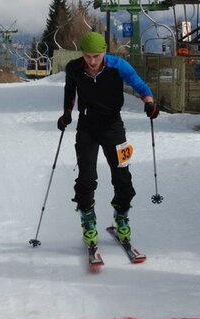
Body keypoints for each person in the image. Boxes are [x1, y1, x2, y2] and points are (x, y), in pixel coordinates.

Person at [57, 31, 159, 248]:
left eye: (96, 56)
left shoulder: (118, 65)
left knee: (122, 174)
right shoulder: (74, 68)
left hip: (113, 127)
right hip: (87, 127)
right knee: (86, 176)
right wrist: (67, 113)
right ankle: (88, 220)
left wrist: (149, 102)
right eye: (87, 56)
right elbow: (70, 92)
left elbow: (140, 85)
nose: (92, 61)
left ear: (104, 51)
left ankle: (122, 216)